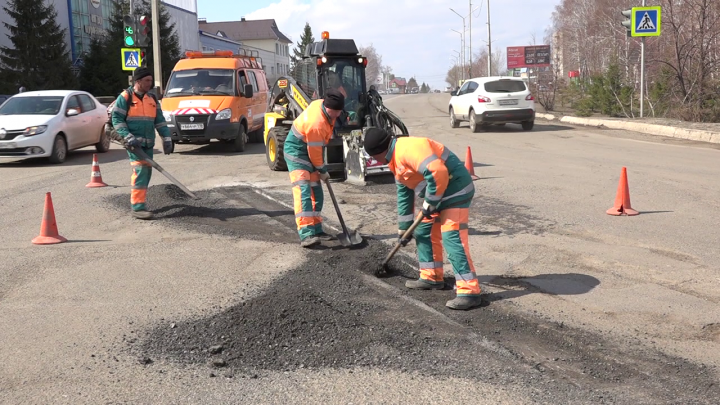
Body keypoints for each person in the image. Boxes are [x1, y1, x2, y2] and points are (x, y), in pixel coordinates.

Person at [363, 128, 482, 310]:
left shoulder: (408, 149)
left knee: (452, 237)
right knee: (422, 230)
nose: (375, 160)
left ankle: (469, 292)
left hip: (455, 190)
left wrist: (431, 201)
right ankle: (432, 277)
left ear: (378, 152)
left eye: (373, 157)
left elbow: (437, 172)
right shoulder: (394, 159)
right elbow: (404, 194)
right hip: (437, 197)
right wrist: (404, 228)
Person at [283, 88, 345, 248]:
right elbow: (315, 153)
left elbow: (316, 150)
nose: (337, 115)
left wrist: (319, 168)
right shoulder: (316, 123)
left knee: (316, 193)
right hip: (296, 153)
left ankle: (317, 229)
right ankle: (306, 234)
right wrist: (323, 170)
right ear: (327, 106)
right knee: (303, 192)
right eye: (336, 112)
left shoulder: (324, 107)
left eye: (339, 112)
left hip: (309, 151)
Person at [111, 67, 172, 220]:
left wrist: (167, 138)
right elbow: (117, 119)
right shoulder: (125, 97)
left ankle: (140, 203)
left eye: (151, 81)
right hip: (133, 144)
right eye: (147, 81)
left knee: (146, 172)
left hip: (148, 144)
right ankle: (137, 208)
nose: (150, 84)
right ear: (138, 81)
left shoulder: (151, 99)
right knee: (141, 171)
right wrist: (128, 136)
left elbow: (159, 121)